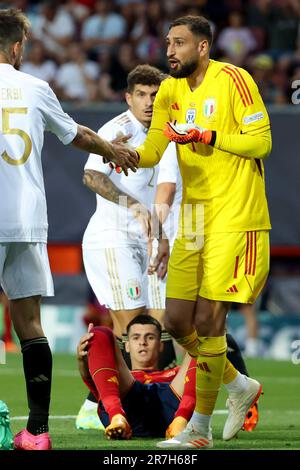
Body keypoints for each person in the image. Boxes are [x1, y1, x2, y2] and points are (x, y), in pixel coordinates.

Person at [0, 8, 138, 451]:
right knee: (29, 324)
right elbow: (74, 134)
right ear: (18, 46)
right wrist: (112, 148)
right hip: (25, 221)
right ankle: (37, 432)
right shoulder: (35, 87)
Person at [133, 15, 271, 449]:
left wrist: (208, 133)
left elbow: (261, 141)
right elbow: (154, 150)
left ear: (203, 47)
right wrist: (124, 155)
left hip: (234, 214)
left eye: (178, 43)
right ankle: (237, 385)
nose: (169, 51)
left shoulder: (235, 79)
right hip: (193, 218)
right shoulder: (171, 89)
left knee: (211, 321)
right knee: (175, 321)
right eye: (167, 43)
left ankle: (199, 429)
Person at [76, 65, 175, 429]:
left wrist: (162, 231)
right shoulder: (117, 130)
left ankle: (133, 403)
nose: (149, 102)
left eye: (155, 95)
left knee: (163, 324)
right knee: (133, 326)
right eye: (142, 95)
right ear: (128, 97)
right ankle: (101, 406)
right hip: (113, 237)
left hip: (151, 239)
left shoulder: (167, 132)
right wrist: (133, 207)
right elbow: (91, 175)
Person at [77, 315, 196, 440]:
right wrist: (82, 359)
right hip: (129, 407)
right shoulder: (115, 376)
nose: (142, 342)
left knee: (202, 337)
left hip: (173, 406)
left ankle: (181, 421)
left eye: (150, 337)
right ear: (127, 346)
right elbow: (92, 382)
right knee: (99, 333)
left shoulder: (178, 373)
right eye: (136, 337)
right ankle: (117, 418)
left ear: (161, 346)